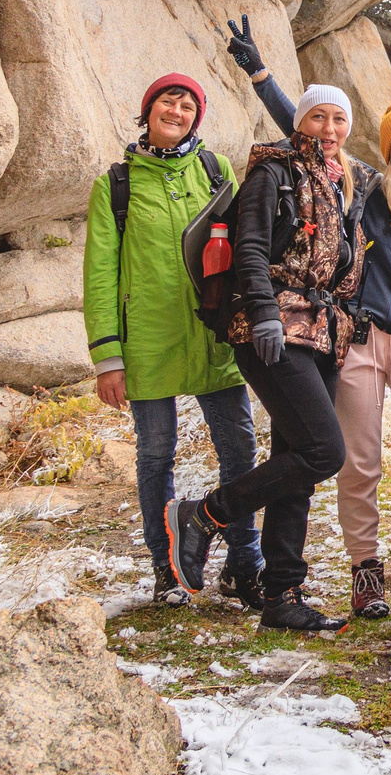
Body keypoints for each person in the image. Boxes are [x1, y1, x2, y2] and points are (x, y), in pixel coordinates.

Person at [229, 44, 391, 621]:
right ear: (390, 149)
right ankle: (365, 570)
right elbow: (314, 130)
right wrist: (262, 77)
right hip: (362, 342)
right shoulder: (365, 188)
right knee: (359, 461)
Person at [168, 84, 368, 633]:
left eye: (339, 120)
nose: (330, 129)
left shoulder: (343, 182)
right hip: (273, 324)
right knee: (325, 451)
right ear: (299, 122)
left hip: (324, 331)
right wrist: (261, 314)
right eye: (318, 118)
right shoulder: (272, 172)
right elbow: (250, 245)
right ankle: (206, 514)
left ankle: (283, 593)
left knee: (298, 461)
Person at [86, 74, 263, 609]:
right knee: (156, 454)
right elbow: (100, 275)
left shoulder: (215, 172)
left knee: (240, 448)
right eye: (169, 100)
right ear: (149, 110)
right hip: (148, 338)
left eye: (189, 105)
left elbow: (241, 249)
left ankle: (243, 562)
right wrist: (107, 357)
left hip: (212, 335)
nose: (179, 110)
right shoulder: (114, 185)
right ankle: (167, 569)